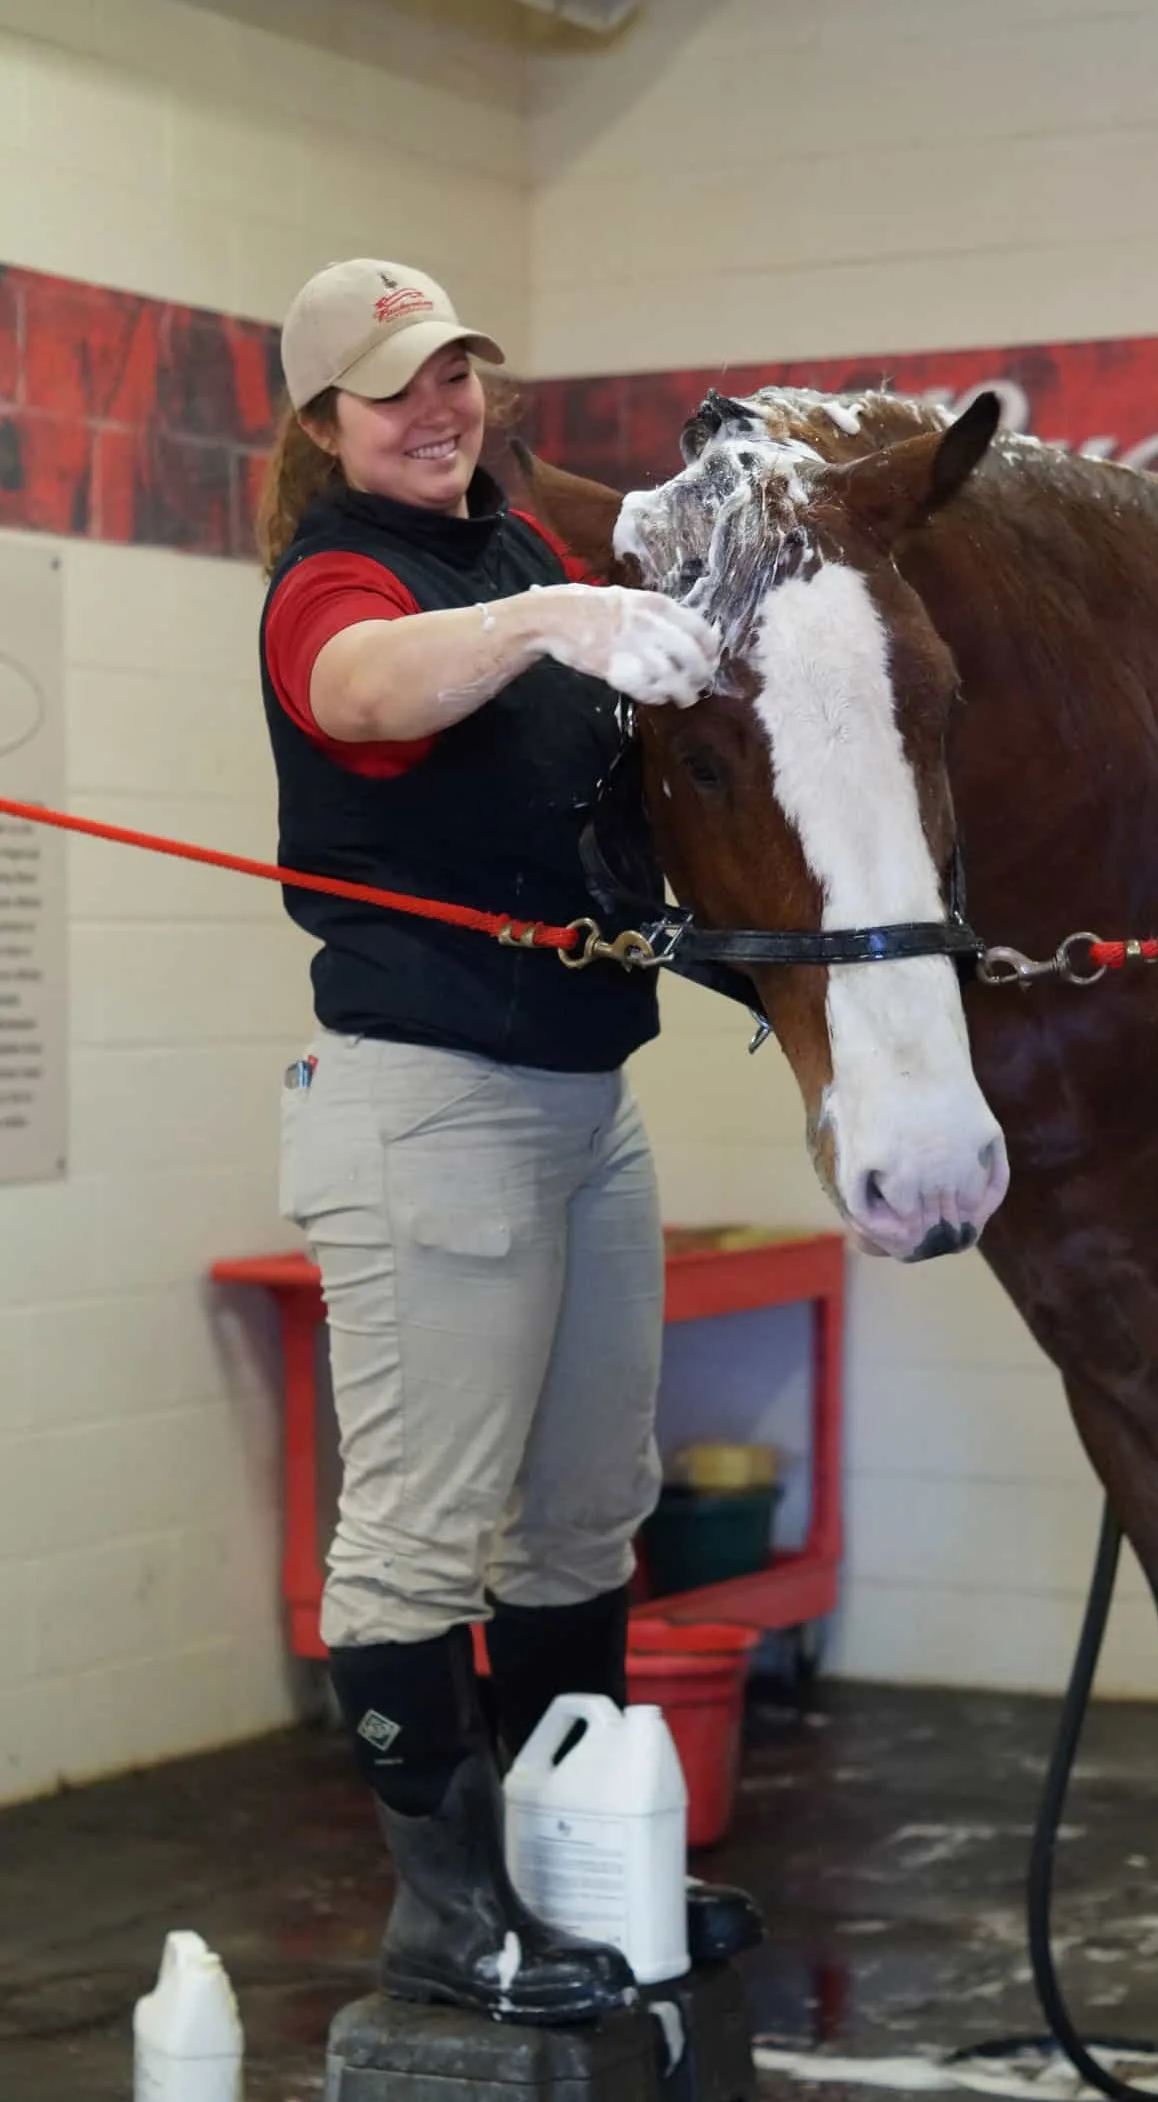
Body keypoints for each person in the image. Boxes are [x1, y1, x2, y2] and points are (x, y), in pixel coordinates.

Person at [258, 258, 760, 2023]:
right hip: (427, 1104)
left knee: (579, 1519)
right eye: (394, 386)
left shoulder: (523, 551)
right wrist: (553, 627)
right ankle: (445, 1913)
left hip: (580, 1101)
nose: (437, 407)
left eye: (457, 372)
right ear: (326, 418)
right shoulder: (344, 575)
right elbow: (361, 690)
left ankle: (576, 1870)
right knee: (416, 1537)